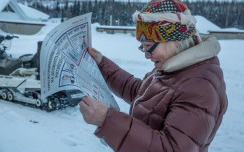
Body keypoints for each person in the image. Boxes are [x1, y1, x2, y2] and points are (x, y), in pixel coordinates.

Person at [79, 0, 228, 151]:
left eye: (149, 47)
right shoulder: (173, 67)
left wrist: (108, 120)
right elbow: (142, 94)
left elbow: (170, 148)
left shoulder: (200, 87)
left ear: (174, 39)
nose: (147, 56)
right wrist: (102, 65)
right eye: (143, 48)